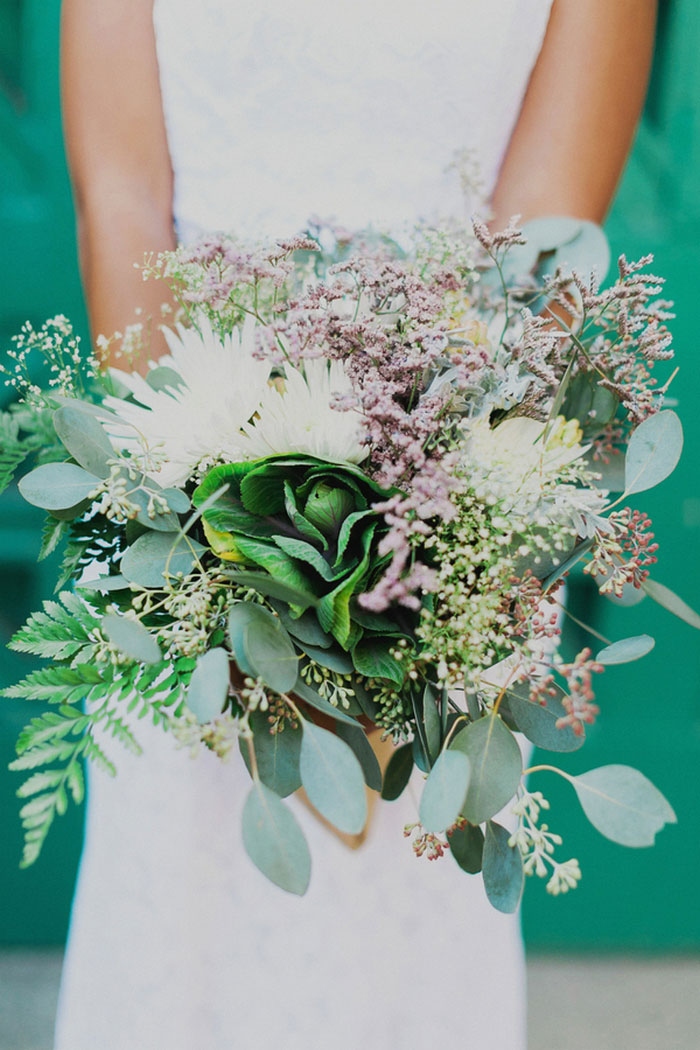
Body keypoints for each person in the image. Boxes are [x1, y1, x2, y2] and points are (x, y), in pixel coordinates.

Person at [55, 2, 657, 1048]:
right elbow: (122, 194)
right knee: (180, 913)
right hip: (193, 472)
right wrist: (201, 528)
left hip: (455, 491)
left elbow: (546, 246)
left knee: (406, 929)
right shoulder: (187, 510)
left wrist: (423, 571)